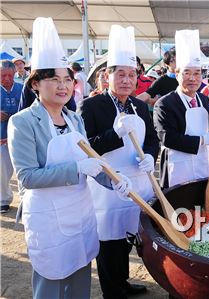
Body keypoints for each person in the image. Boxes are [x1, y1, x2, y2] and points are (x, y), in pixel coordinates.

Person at [8, 17, 130, 299]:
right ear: (36, 83)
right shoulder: (23, 122)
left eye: (67, 80)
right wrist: (77, 167)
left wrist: (113, 180)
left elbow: (90, 162)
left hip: (80, 213)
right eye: (54, 79)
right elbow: (28, 177)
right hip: (48, 220)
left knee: (79, 283)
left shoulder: (74, 119)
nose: (63, 86)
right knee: (51, 285)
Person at [78, 25, 158, 298]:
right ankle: (112, 289)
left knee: (129, 237)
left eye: (131, 75)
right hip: (108, 187)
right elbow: (88, 147)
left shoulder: (140, 106)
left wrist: (150, 156)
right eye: (120, 74)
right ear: (107, 76)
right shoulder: (91, 106)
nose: (126, 80)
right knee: (110, 241)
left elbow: (153, 140)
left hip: (138, 182)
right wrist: (116, 134)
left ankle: (123, 281)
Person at [154, 30, 209, 188]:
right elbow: (167, 137)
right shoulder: (165, 104)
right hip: (177, 169)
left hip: (203, 166)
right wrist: (203, 140)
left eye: (197, 73)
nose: (193, 78)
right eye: (187, 73)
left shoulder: (205, 100)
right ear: (177, 74)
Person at [1, 60, 23, 213]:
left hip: (21, 137)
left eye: (10, 75)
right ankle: (3, 198)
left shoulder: (22, 89)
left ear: (15, 74)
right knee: (2, 170)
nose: (7, 79)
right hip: (1, 138)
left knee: (24, 170)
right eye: (3, 76)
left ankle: (25, 199)